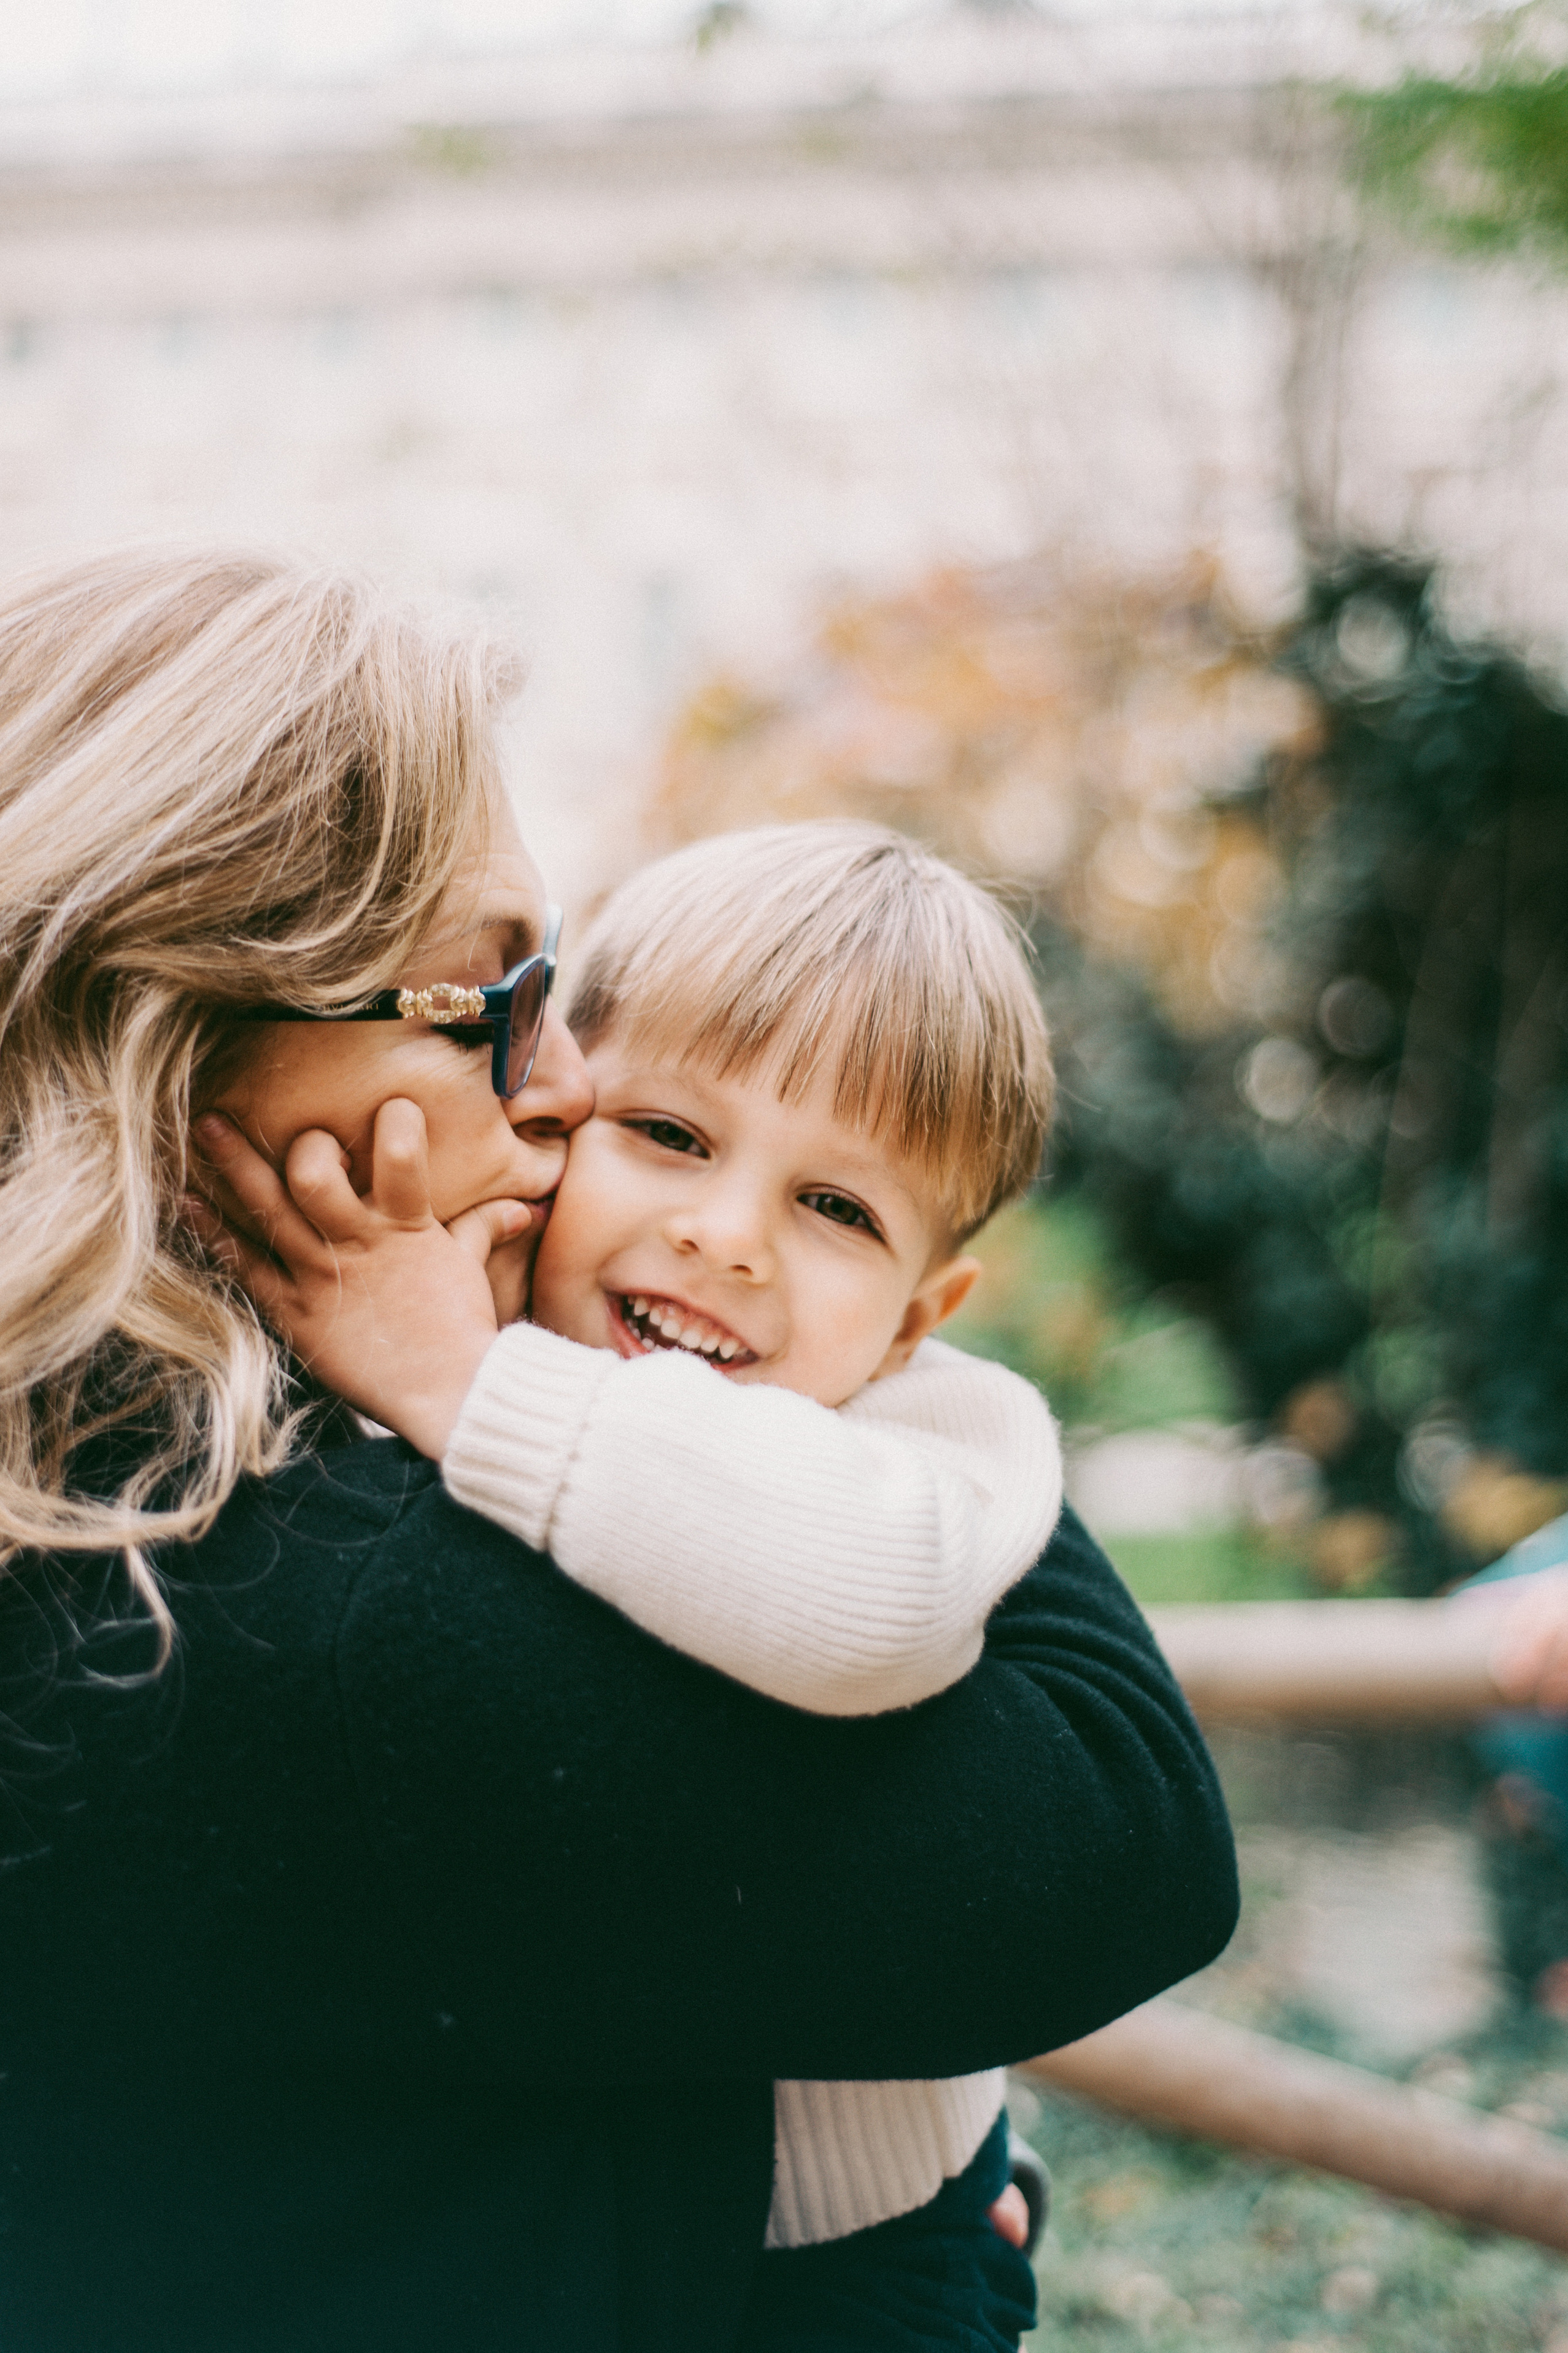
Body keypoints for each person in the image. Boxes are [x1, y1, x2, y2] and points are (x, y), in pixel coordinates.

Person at [0, 546, 1239, 2353]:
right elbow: (1119, 1835)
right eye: (498, 1000)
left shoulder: (116, 1493)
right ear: (186, 1038)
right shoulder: (297, 1613)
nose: (569, 1085)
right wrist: (858, 1373)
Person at [198, 821, 1067, 2349]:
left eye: (837, 1209)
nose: (723, 1237)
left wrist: (465, 1387)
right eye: (667, 1135)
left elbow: (882, 1600)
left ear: (920, 1317)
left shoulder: (924, 1433)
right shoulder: (470, 1307)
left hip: (849, 2266)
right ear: (556, 1113)